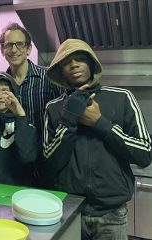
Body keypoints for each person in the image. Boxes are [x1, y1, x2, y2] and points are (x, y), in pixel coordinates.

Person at [43, 38, 152, 239]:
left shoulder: (122, 97)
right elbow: (51, 161)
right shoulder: (54, 108)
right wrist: (69, 119)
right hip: (69, 213)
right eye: (67, 61)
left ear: (91, 64)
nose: (74, 64)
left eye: (80, 59)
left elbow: (145, 154)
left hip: (111, 215)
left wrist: (100, 122)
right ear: (60, 71)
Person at [0, 22, 64, 188]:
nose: (14, 50)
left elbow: (61, 120)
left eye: (20, 44)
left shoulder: (49, 79)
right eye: (9, 45)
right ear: (3, 50)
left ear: (29, 49)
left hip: (45, 163)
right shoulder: (0, 83)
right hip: (12, 163)